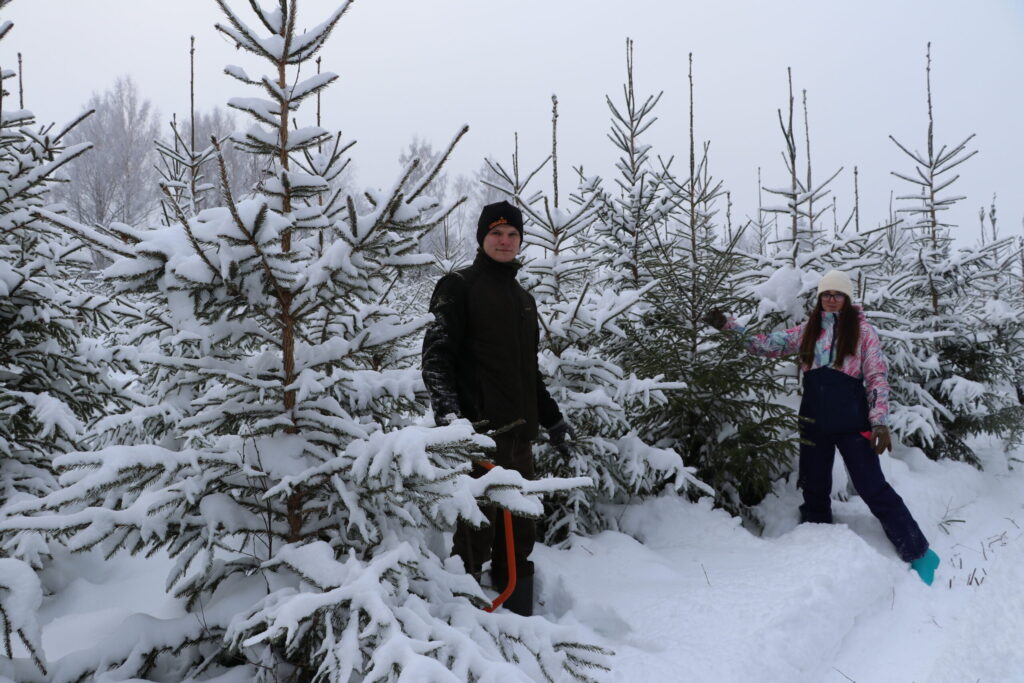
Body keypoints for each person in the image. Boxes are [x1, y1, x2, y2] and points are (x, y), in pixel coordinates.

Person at [705, 269, 940, 585]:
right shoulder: (808, 331)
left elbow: (877, 378)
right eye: (826, 294)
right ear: (819, 299)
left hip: (852, 422)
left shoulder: (863, 333)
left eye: (837, 294)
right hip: (814, 420)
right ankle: (817, 548)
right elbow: (766, 345)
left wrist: (880, 422)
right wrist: (729, 327)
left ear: (846, 298)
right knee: (815, 486)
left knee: (873, 487)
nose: (831, 299)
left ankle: (918, 551)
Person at [421, 200, 573, 615]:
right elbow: (436, 357)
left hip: (520, 436)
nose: (505, 241)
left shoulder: (522, 298)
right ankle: (465, 619)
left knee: (520, 529)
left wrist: (553, 418)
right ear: (482, 238)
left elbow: (528, 372)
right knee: (475, 530)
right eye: (496, 234)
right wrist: (451, 418)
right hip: (479, 434)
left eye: (512, 235)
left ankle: (518, 614)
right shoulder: (459, 286)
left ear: (520, 241)